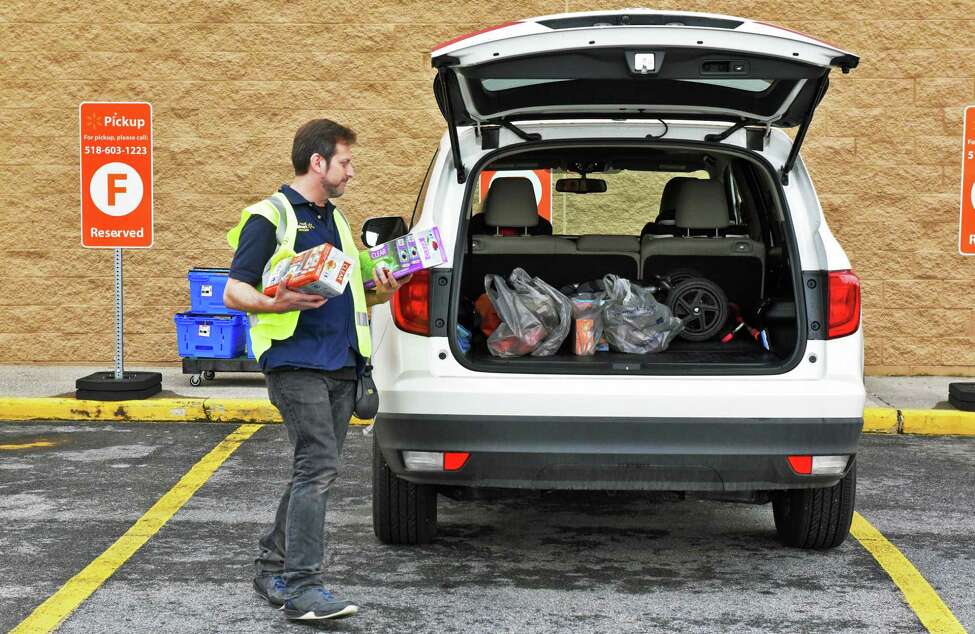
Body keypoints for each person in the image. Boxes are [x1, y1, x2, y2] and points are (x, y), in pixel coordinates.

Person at [224, 119, 407, 621]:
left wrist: (380, 292)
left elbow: (348, 294)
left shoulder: (340, 221)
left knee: (313, 467)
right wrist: (273, 302)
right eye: (345, 162)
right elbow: (233, 290)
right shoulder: (271, 216)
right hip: (295, 361)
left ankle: (271, 565)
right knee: (319, 466)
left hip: (342, 363)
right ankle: (303, 586)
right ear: (317, 162)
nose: (352, 171)